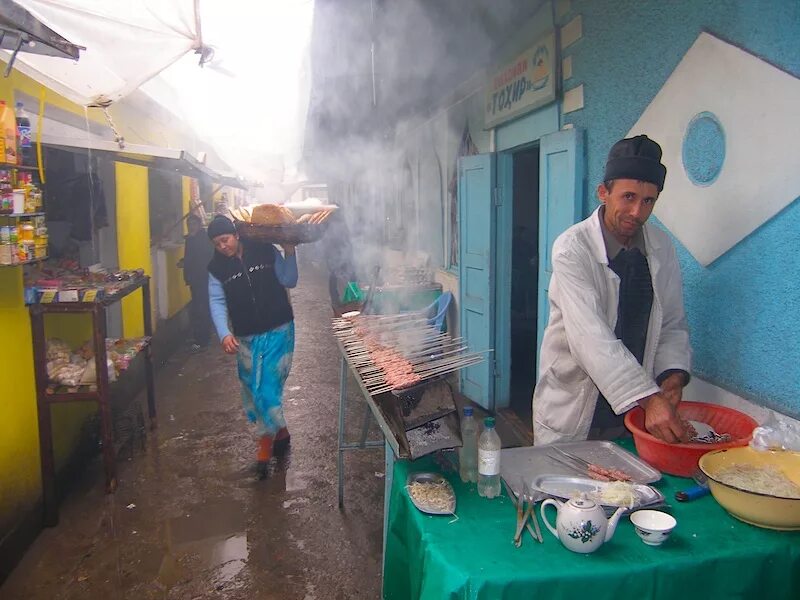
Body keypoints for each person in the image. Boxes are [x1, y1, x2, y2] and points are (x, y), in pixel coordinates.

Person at [532, 135, 692, 446]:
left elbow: (672, 322)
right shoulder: (572, 248)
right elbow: (591, 339)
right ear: (603, 193)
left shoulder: (661, 246)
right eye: (628, 197)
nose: (637, 212)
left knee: (625, 491)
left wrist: (672, 376)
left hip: (634, 410)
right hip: (576, 405)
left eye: (648, 201)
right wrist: (650, 399)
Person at [206, 215, 298, 478]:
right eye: (217, 243)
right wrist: (224, 333)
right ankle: (281, 434)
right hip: (246, 337)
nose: (222, 246)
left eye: (225, 240)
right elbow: (216, 301)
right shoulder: (216, 268)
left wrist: (290, 253)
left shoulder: (264, 249)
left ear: (235, 234)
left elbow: (289, 280)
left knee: (267, 390)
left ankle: (264, 451)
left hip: (279, 330)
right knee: (251, 389)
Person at [181, 214, 214, 350]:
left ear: (199, 225)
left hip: (203, 277)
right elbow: (190, 257)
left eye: (194, 224)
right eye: (189, 225)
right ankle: (199, 337)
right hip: (194, 278)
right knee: (198, 306)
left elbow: (203, 258)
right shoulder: (190, 239)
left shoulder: (203, 239)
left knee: (202, 307)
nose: (191, 227)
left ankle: (203, 339)